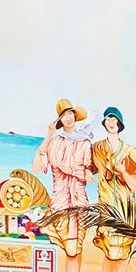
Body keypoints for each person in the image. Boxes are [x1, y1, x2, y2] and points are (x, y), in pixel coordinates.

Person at [34, 99, 94, 257]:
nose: (68, 118)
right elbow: (38, 167)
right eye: (63, 115)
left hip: (79, 202)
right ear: (59, 120)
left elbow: (87, 172)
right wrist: (48, 135)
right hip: (59, 202)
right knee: (69, 250)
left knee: (75, 250)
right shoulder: (55, 142)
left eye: (70, 113)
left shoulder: (85, 143)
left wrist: (70, 169)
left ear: (75, 116)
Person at [90, 107, 136, 262]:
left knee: (120, 254)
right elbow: (89, 167)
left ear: (119, 123)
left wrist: (124, 173)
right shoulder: (97, 148)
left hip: (124, 208)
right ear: (104, 123)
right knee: (110, 253)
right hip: (105, 204)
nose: (111, 123)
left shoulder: (129, 150)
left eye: (114, 119)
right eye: (108, 120)